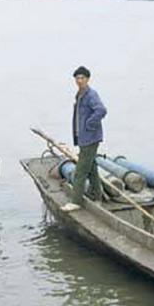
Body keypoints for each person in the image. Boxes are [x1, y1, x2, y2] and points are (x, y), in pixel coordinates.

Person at [61, 66, 107, 212]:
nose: (79, 81)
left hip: (90, 138)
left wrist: (89, 124)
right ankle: (98, 197)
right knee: (92, 168)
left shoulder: (91, 94)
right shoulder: (80, 94)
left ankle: (76, 201)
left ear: (88, 79)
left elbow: (101, 110)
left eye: (82, 78)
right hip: (84, 138)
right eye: (77, 78)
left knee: (80, 170)